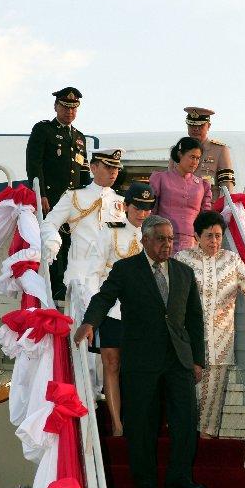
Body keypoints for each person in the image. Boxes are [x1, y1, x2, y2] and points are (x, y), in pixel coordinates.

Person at [74, 215, 206, 488]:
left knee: (185, 421)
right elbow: (103, 298)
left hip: (178, 359)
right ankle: (144, 480)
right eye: (160, 239)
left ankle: (179, 478)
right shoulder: (126, 269)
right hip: (141, 360)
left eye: (170, 239)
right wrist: (89, 323)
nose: (167, 245)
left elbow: (195, 319)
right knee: (142, 422)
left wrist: (197, 360)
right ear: (144, 240)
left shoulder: (184, 273)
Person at [175, 210, 245, 438]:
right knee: (186, 397)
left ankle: (206, 440)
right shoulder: (182, 259)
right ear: (196, 236)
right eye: (209, 236)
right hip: (187, 341)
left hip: (220, 340)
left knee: (212, 399)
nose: (214, 241)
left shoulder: (231, 260)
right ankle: (183, 438)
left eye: (218, 236)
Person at [86, 182, 155, 436]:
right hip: (113, 311)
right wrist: (93, 316)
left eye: (148, 208)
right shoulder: (109, 232)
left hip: (144, 315)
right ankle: (116, 424)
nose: (143, 213)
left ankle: (138, 420)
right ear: (126, 207)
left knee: (139, 368)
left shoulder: (158, 235)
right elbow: (93, 274)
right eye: (138, 207)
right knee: (112, 364)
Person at [26, 87, 89, 298]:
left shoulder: (80, 138)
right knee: (53, 245)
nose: (69, 112)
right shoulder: (44, 130)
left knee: (71, 244)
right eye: (65, 107)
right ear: (56, 107)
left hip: (74, 203)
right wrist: (40, 194)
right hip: (51, 199)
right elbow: (34, 164)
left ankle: (65, 287)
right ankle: (52, 288)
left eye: (73, 108)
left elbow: (84, 171)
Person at [40, 147, 126, 295]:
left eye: (116, 168)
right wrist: (53, 240)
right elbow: (49, 223)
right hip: (81, 275)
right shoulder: (74, 196)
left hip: (112, 277)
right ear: (93, 168)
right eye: (108, 167)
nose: (113, 172)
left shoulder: (122, 201)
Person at [150, 137, 212, 254]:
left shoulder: (203, 185)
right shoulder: (161, 179)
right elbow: (151, 211)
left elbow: (205, 217)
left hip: (192, 241)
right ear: (180, 154)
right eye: (192, 157)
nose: (195, 162)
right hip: (163, 239)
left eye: (198, 158)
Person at [182, 106, 235, 199]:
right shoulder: (178, 150)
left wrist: (227, 210)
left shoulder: (220, 150)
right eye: (192, 125)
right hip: (181, 206)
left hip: (208, 208)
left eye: (200, 126)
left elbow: (227, 185)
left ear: (208, 126)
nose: (195, 129)